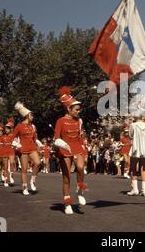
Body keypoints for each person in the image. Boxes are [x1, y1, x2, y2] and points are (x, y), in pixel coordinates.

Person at [53, 87, 87, 215]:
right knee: (66, 177)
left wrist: (84, 146)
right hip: (65, 149)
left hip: (77, 146)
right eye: (77, 109)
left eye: (79, 109)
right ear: (69, 109)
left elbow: (80, 136)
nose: (79, 111)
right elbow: (56, 139)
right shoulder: (60, 121)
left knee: (80, 167)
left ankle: (80, 190)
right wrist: (62, 144)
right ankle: (67, 203)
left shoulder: (79, 121)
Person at [11, 102, 41, 196]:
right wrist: (16, 144)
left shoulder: (33, 126)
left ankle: (33, 180)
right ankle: (24, 187)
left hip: (32, 147)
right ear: (27, 116)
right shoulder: (19, 126)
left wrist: (39, 143)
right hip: (23, 149)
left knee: (38, 163)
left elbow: (35, 138)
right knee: (24, 169)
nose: (33, 117)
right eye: (31, 115)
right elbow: (12, 138)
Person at [127, 116, 145, 197]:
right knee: (144, 170)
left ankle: (135, 189)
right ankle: (144, 190)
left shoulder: (133, 125)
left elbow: (130, 136)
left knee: (133, 169)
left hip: (136, 148)